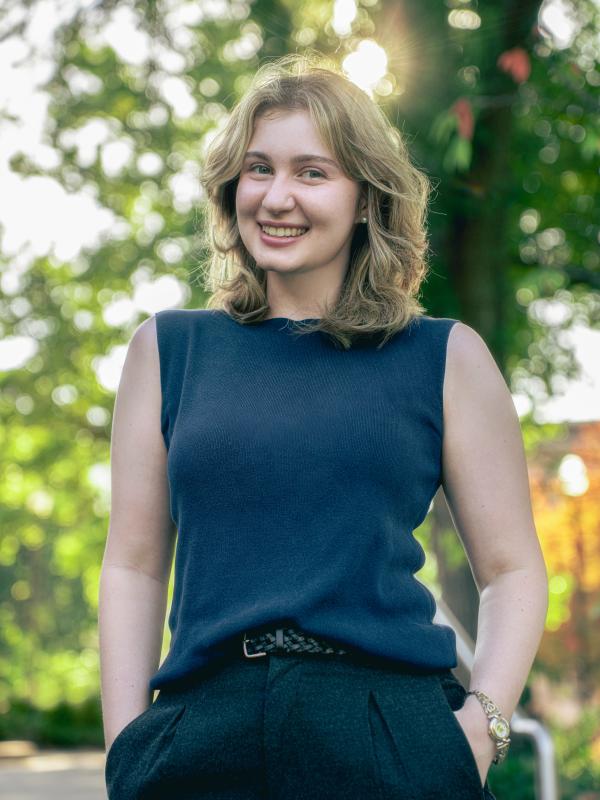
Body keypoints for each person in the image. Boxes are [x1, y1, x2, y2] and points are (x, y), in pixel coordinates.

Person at [99, 51, 549, 799]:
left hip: (389, 734)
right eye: (258, 169)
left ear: (367, 198)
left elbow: (513, 570)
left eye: (313, 172)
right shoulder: (167, 350)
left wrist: (482, 730)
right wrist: (127, 746)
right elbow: (133, 565)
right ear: (230, 187)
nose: (278, 197)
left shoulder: (444, 357)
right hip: (199, 735)